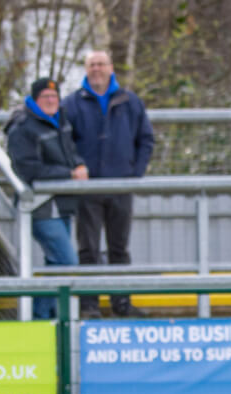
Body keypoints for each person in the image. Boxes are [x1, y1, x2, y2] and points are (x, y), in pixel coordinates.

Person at [62, 50, 154, 319]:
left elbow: (146, 139)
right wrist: (78, 166)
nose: (97, 69)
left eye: (101, 64)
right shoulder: (73, 103)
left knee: (119, 248)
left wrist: (133, 173)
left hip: (120, 186)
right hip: (86, 189)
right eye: (92, 65)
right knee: (88, 249)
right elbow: (65, 142)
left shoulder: (129, 101)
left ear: (111, 67)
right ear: (86, 68)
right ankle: (89, 305)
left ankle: (121, 303)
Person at [5, 76, 88, 320]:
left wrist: (79, 165)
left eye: (54, 96)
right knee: (67, 261)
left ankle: (48, 315)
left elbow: (71, 153)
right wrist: (69, 174)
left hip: (62, 203)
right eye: (45, 97)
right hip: (41, 206)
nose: (51, 100)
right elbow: (28, 169)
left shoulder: (61, 121)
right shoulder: (22, 127)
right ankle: (40, 315)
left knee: (57, 263)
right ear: (34, 99)